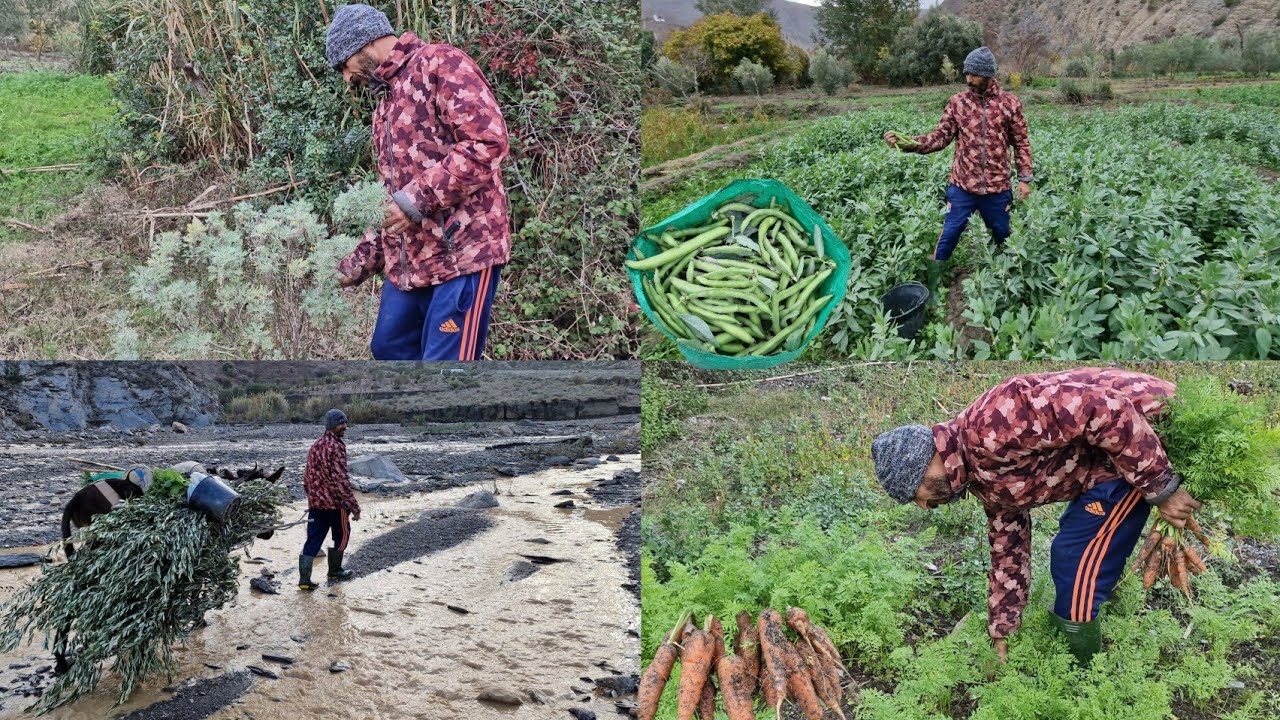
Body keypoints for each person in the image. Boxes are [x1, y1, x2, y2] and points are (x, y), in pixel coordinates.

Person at [870, 368, 1204, 665]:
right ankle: (1101, 617)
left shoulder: (992, 422)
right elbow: (1008, 547)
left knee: (1073, 559)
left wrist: (1162, 487)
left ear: (926, 463)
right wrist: (1003, 626)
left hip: (1146, 431)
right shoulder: (979, 475)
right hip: (1107, 464)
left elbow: (1107, 408)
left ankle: (1081, 673)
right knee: (1076, 544)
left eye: (917, 495)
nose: (924, 507)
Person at [325, 4, 510, 361]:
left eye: (344, 66)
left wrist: (415, 201)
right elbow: (390, 197)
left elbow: (487, 143)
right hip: (410, 264)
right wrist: (360, 260)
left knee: (445, 370)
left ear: (362, 44)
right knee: (388, 348)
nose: (347, 79)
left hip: (463, 256)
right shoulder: (384, 106)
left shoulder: (440, 63)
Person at [885, 47, 1033, 267]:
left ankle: (1008, 275)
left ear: (988, 75)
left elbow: (1021, 141)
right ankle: (937, 273)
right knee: (950, 233)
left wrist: (1024, 178)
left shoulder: (1009, 104)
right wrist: (908, 143)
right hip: (962, 185)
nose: (968, 79)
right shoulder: (958, 103)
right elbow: (940, 137)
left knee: (1004, 233)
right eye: (967, 73)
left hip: (997, 187)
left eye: (974, 74)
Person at [300, 409, 361, 590]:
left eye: (345, 423)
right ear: (332, 425)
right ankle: (335, 571)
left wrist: (311, 496)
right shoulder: (337, 447)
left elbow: (306, 476)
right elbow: (341, 480)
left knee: (313, 540)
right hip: (335, 505)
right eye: (341, 423)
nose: (345, 427)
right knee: (342, 536)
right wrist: (354, 506)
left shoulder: (315, 446)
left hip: (316, 504)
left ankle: (304, 581)